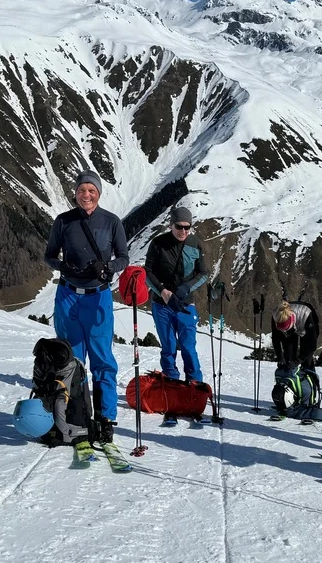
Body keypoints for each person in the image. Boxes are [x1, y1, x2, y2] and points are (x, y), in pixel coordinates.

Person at [43, 170, 129, 447]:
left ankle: (105, 419)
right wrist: (62, 266)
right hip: (68, 296)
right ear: (76, 193)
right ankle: (75, 417)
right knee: (71, 360)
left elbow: (124, 257)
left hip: (98, 297)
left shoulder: (111, 222)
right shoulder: (63, 221)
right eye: (82, 190)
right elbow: (49, 255)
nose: (86, 195)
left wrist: (108, 267)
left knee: (102, 359)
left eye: (92, 190)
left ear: (99, 193)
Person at [144, 207, 208, 419]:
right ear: (171, 225)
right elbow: (148, 272)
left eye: (187, 227)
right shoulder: (158, 243)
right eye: (179, 227)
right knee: (169, 346)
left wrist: (186, 288)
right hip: (162, 304)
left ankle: (194, 387)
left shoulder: (195, 244)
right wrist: (162, 291)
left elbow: (203, 273)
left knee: (188, 346)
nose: (183, 231)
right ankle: (171, 384)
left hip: (185, 304)